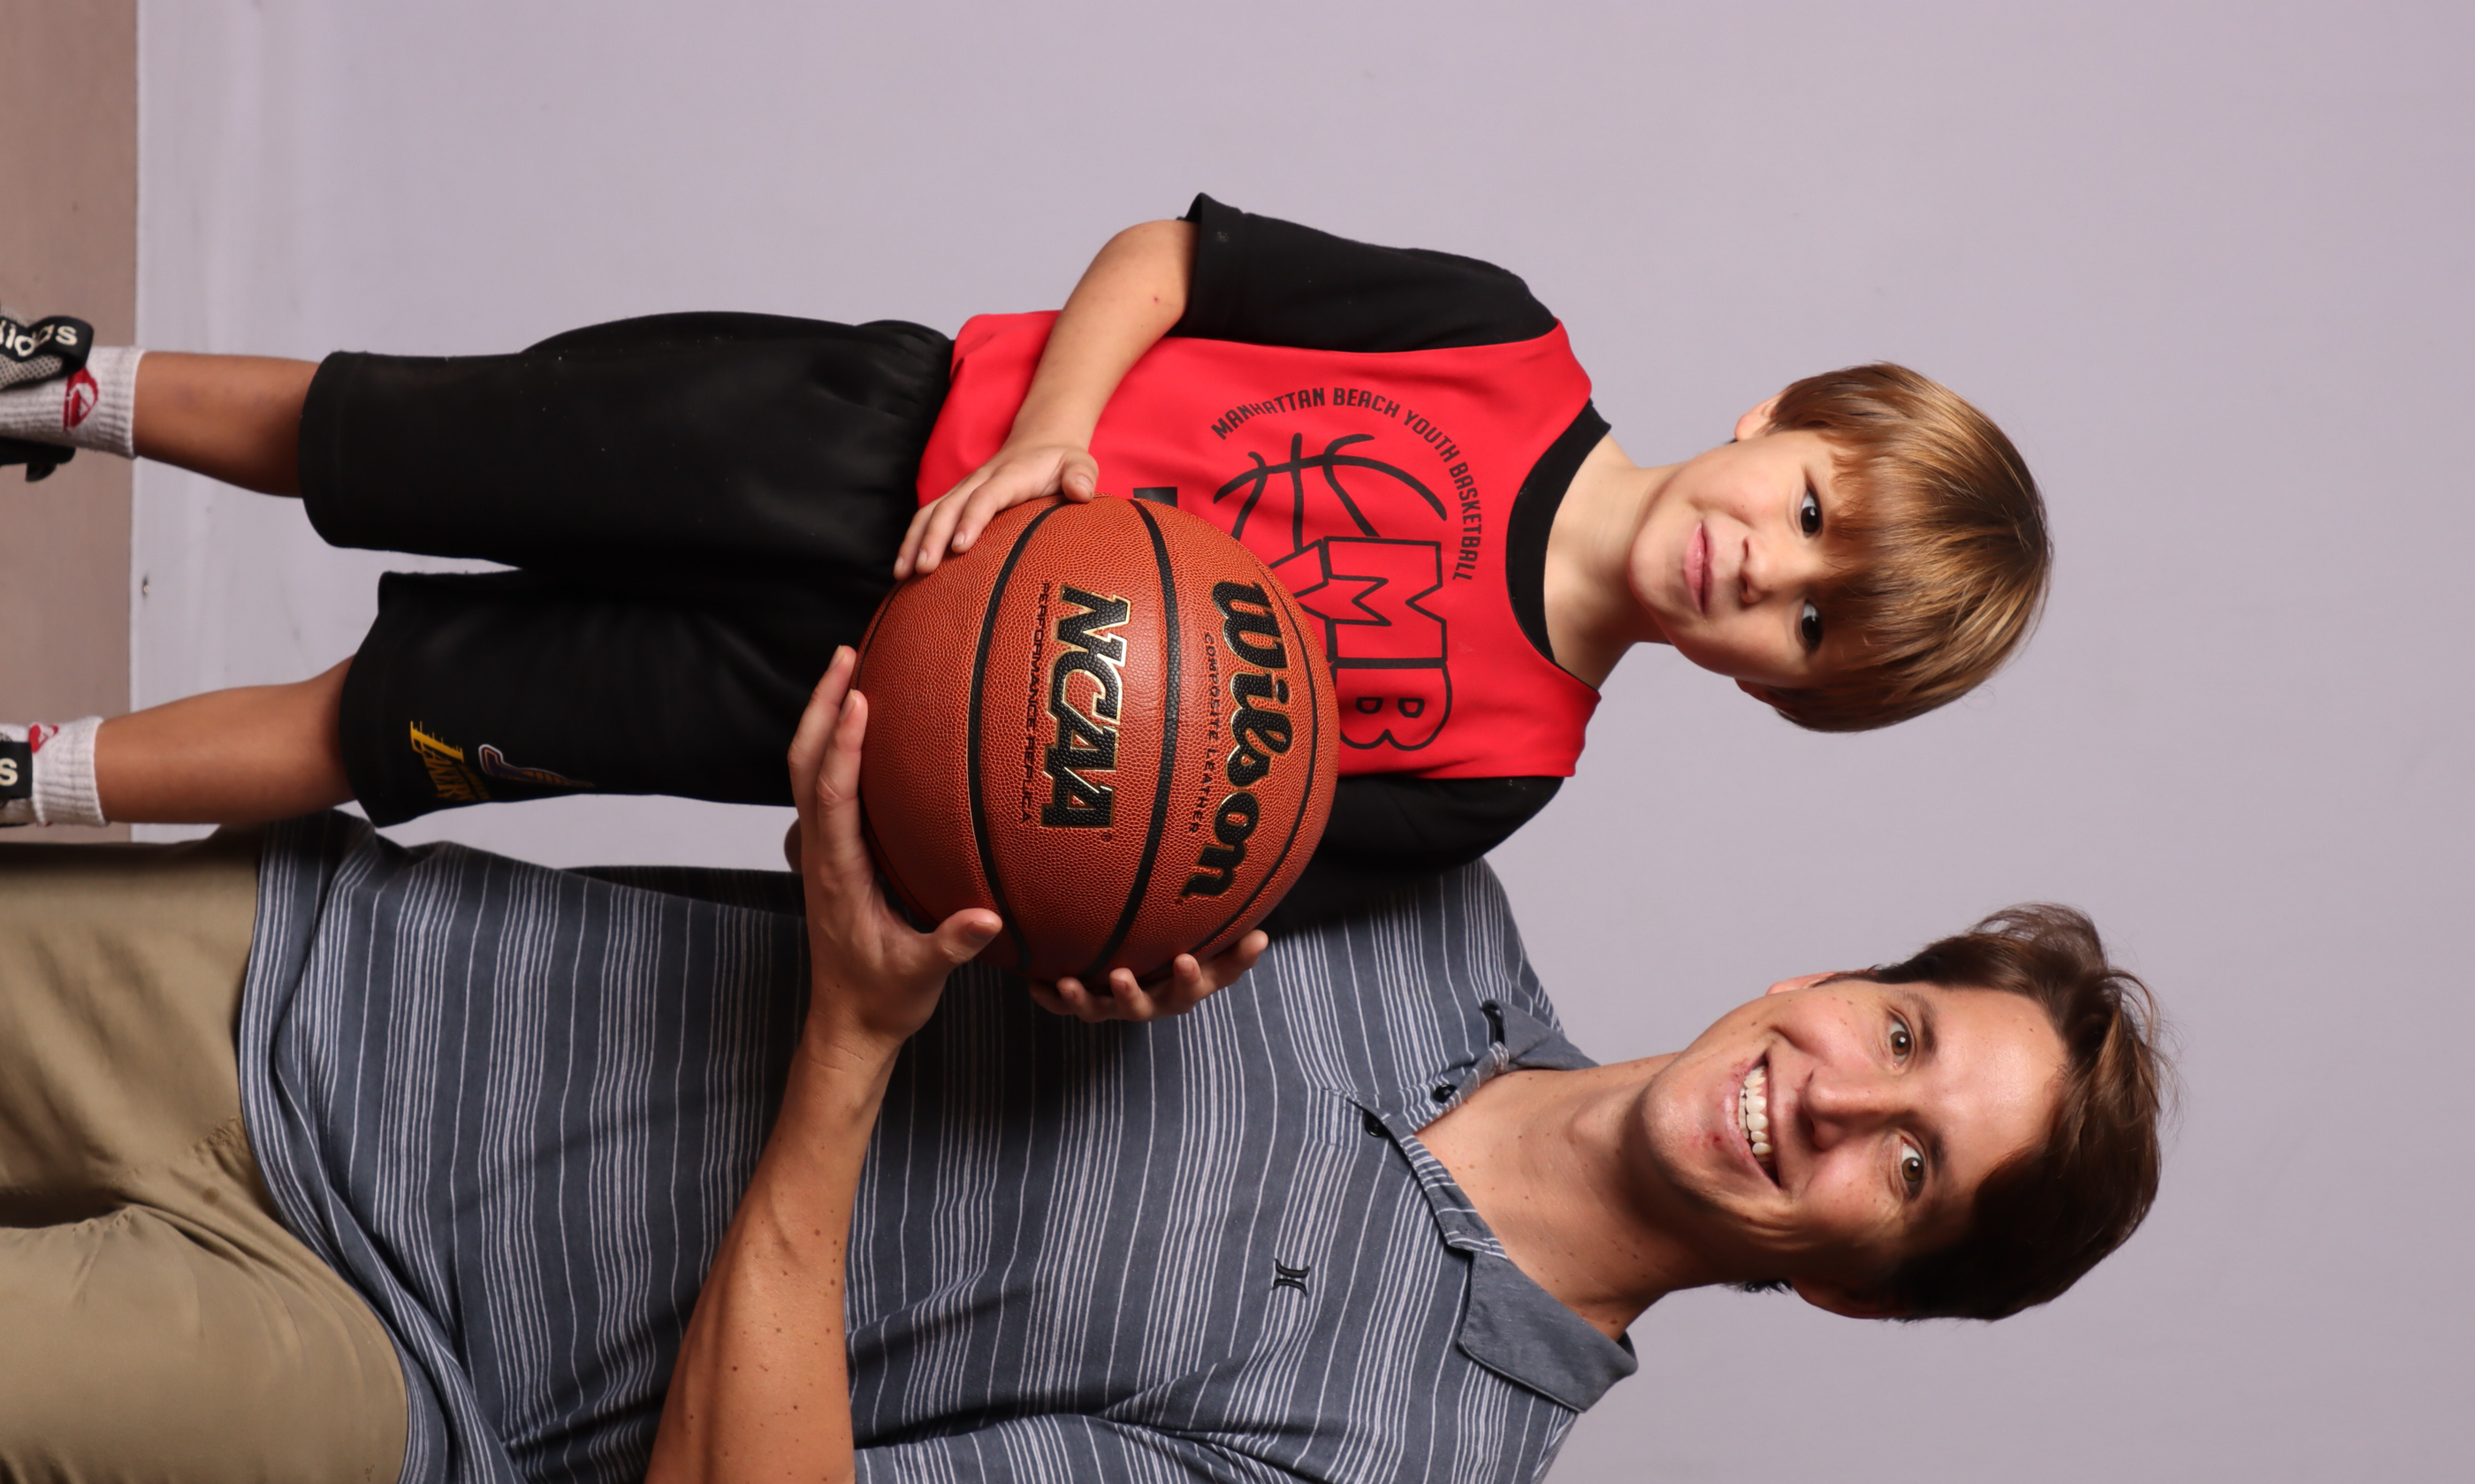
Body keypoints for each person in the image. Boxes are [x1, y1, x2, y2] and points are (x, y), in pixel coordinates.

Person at [0, 651, 2166, 1484]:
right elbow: (983, 651)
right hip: (363, 978)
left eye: (1910, 1170)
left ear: (1861, 1286)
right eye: (1900, 1036)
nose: (1837, 1103)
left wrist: (856, 1048)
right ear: (1823, 979)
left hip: (404, 1381)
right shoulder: (1404, 879)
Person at [0, 198, 2050, 979]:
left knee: (396, 726)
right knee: (406, 431)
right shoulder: (1494, 337)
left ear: (1778, 693)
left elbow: (1188, 877)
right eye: (1810, 507)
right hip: (878, 438)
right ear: (1784, 413)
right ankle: (69, 387)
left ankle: (34, 772)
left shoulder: (1497, 772)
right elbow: (1168, 256)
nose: (1762, 566)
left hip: (870, 718)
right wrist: (1052, 437)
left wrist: (1115, 952)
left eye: (1808, 621)